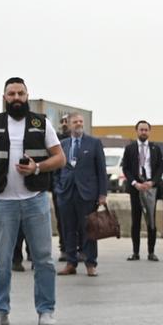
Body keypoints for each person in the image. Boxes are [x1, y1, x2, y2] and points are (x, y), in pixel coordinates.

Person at [0, 78, 66, 325]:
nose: (16, 98)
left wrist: (37, 167)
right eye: (12, 94)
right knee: (1, 259)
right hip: (2, 202)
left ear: (27, 96)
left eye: (20, 93)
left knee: (43, 259)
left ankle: (46, 310)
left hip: (34, 199)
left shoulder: (41, 123)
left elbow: (60, 158)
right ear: (4, 97)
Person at [52, 113, 108, 276]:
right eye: (75, 122)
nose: (78, 124)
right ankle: (71, 262)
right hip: (66, 193)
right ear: (69, 125)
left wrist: (102, 194)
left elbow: (101, 170)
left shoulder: (94, 143)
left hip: (87, 194)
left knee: (89, 229)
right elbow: (56, 170)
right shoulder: (62, 144)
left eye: (81, 121)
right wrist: (58, 188)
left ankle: (91, 263)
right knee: (68, 229)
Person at [121, 121, 163, 261]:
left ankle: (151, 252)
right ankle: (135, 252)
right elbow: (125, 168)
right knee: (136, 220)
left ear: (149, 131)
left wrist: (152, 182)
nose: (144, 132)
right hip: (136, 188)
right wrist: (135, 183)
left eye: (146, 130)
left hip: (151, 188)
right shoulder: (130, 148)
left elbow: (160, 168)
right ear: (137, 131)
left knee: (151, 220)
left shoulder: (155, 148)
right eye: (141, 130)